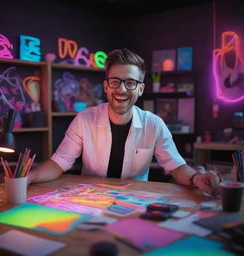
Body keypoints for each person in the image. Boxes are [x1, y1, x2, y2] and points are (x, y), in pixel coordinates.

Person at [28, 48, 219, 195]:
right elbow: (59, 162)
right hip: (90, 199)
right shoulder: (84, 119)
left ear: (141, 89)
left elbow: (176, 167)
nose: (121, 89)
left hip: (134, 201)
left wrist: (196, 178)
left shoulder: (154, 124)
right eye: (115, 82)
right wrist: (29, 177)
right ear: (106, 86)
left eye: (130, 83)